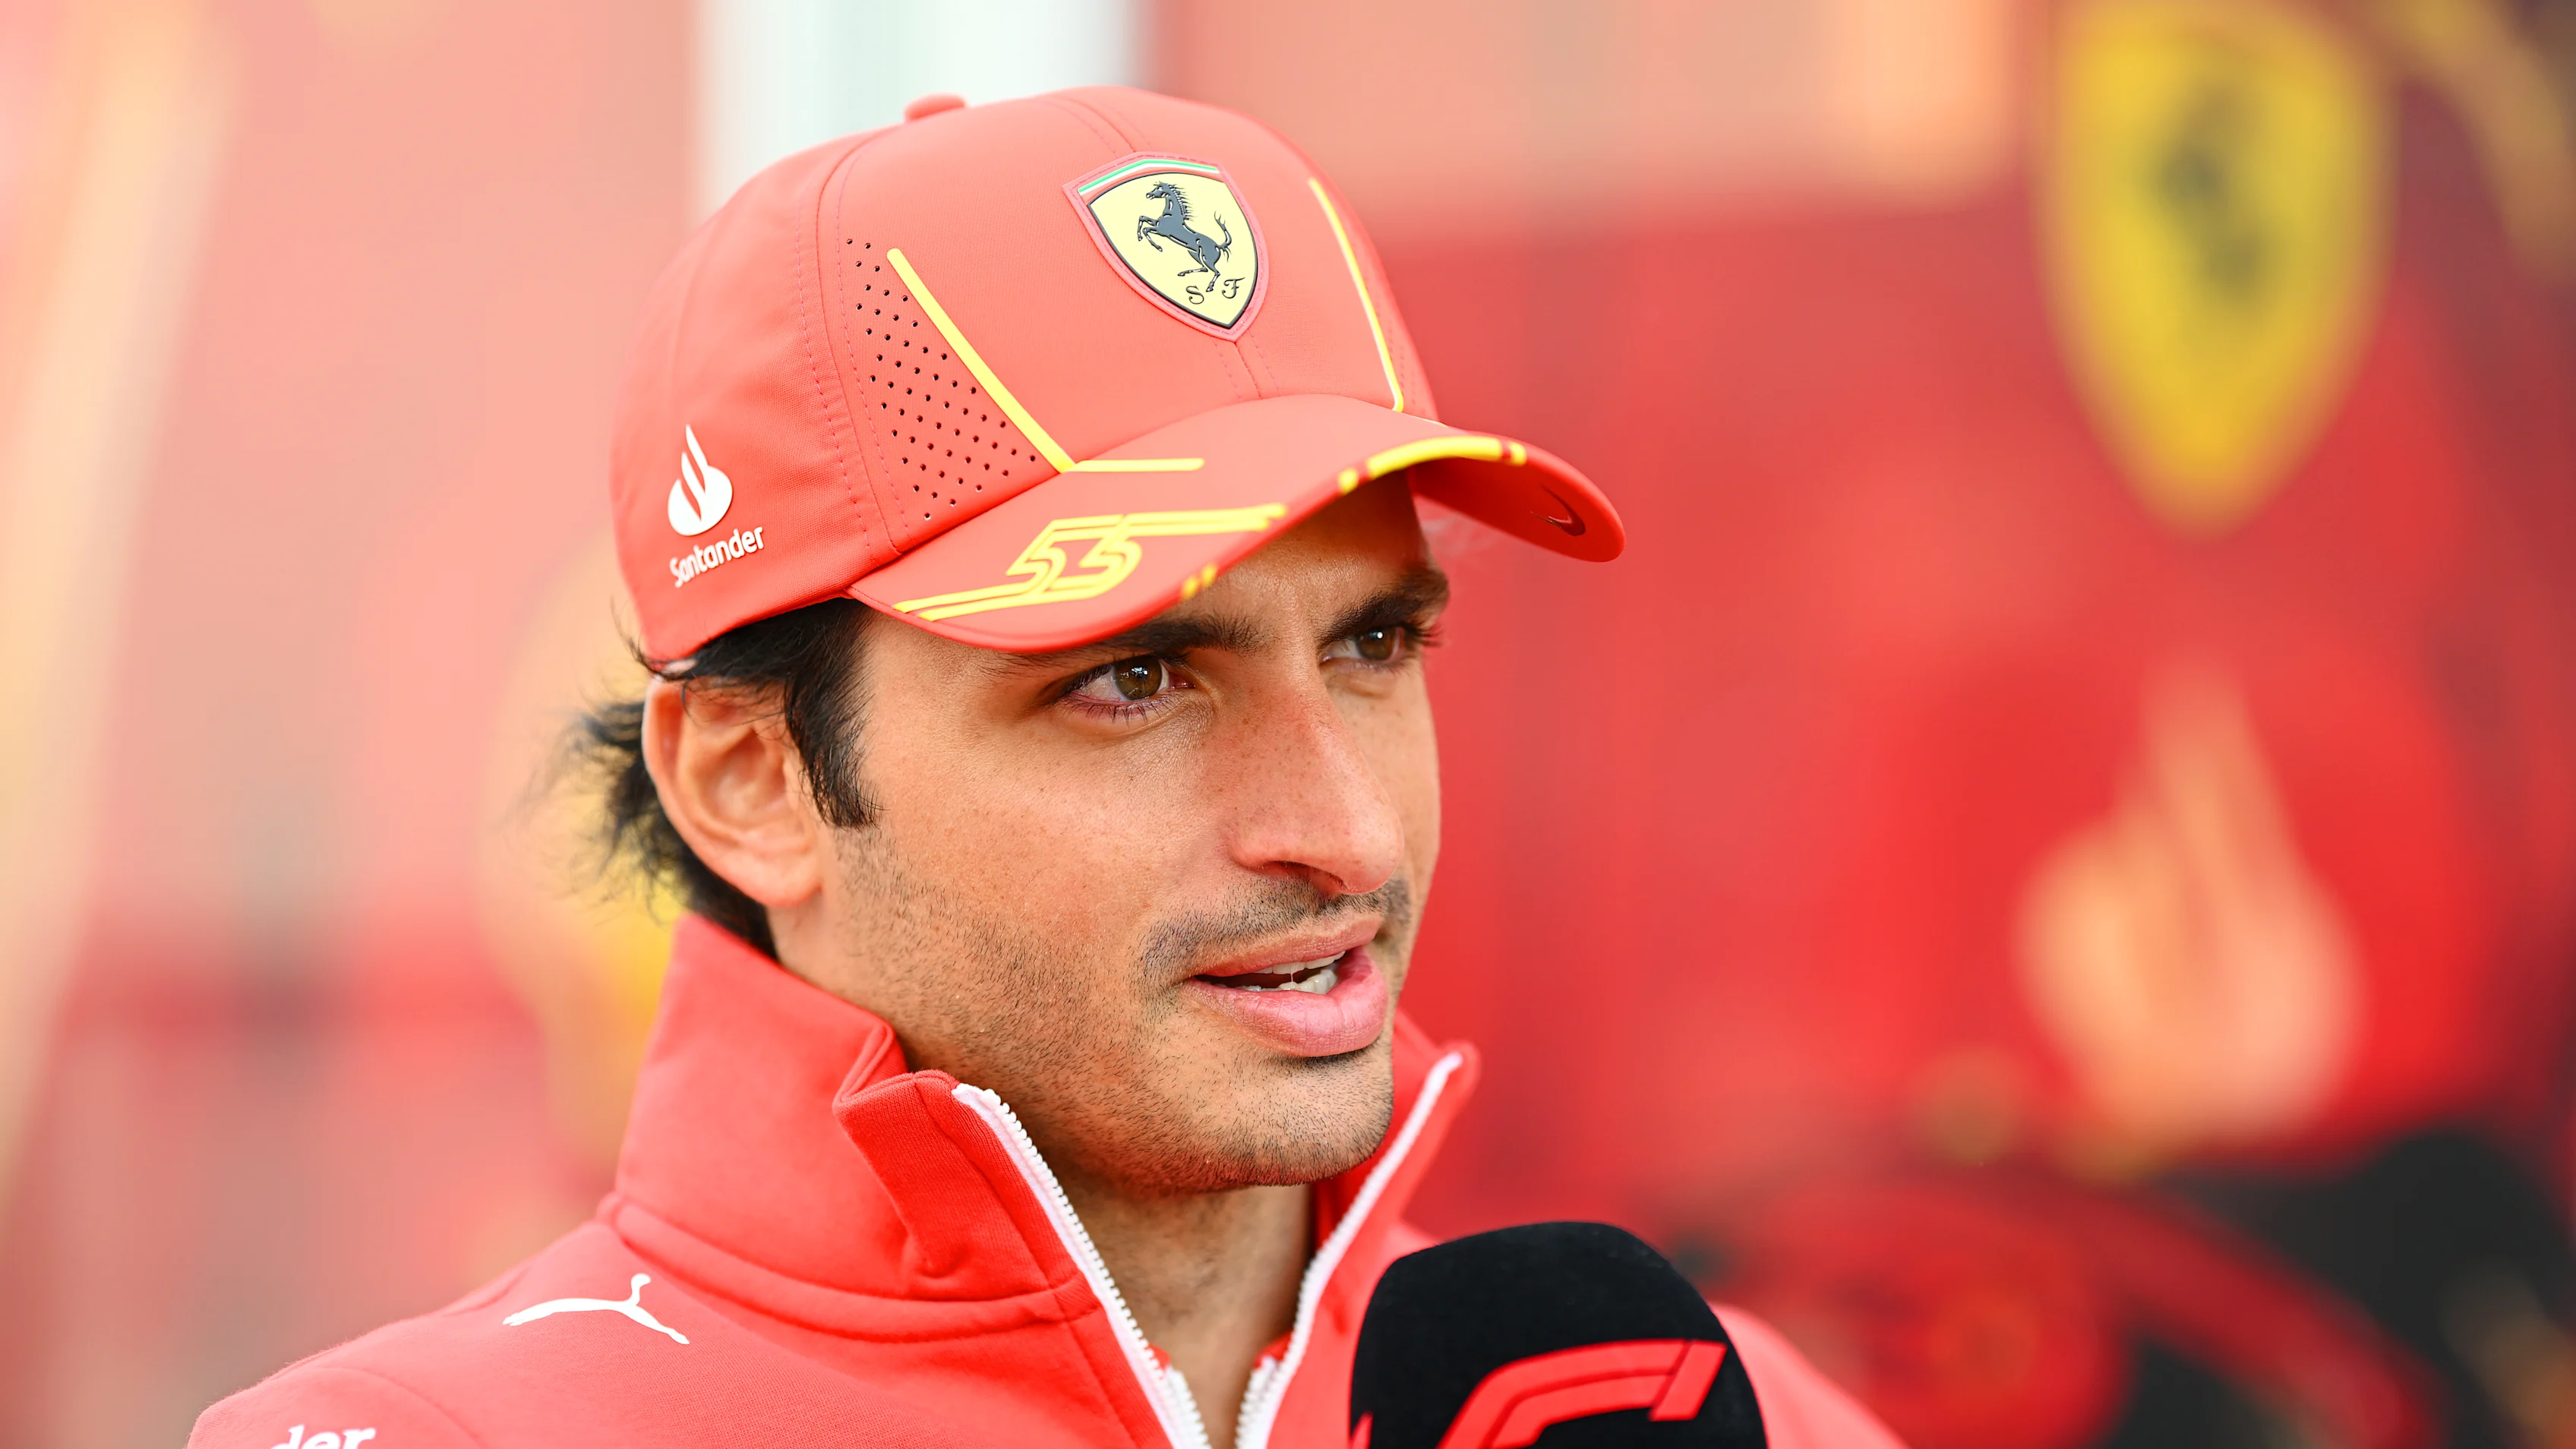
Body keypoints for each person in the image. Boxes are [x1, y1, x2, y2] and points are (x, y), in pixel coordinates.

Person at [188, 87, 1902, 1449]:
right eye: (1136, 678)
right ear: (750, 778)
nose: (1345, 827)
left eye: (1375, 647)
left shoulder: (1703, 1412)